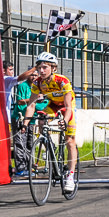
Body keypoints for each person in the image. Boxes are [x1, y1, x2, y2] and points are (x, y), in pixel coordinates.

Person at [23, 52, 78, 191]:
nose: (41, 71)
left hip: (67, 107)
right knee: (41, 118)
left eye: (45, 67)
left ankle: (70, 176)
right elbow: (31, 105)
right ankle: (49, 144)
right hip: (53, 104)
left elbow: (67, 107)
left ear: (53, 68)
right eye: (39, 68)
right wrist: (25, 123)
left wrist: (64, 121)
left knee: (70, 141)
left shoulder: (62, 81)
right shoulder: (37, 83)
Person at [10, 66, 40, 176]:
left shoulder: (38, 86)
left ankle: (29, 166)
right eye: (32, 75)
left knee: (30, 143)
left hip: (32, 119)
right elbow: (20, 101)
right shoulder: (23, 86)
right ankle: (20, 168)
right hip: (20, 117)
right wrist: (33, 99)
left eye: (36, 75)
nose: (34, 77)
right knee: (20, 143)